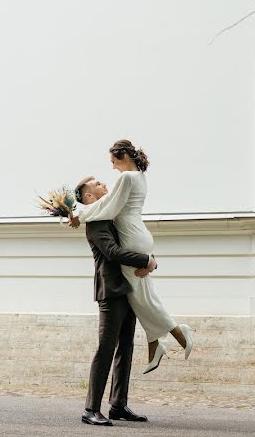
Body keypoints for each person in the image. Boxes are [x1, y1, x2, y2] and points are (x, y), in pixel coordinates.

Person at [72, 140, 192, 373]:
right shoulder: (140, 177)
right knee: (142, 296)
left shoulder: (126, 178)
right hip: (139, 234)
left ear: (123, 155)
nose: (113, 168)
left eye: (114, 161)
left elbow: (109, 205)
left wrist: (80, 215)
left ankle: (178, 332)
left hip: (131, 236)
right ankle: (154, 343)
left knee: (142, 297)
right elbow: (110, 203)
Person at [80, 189, 156, 426]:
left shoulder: (113, 216)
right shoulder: (95, 222)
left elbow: (133, 241)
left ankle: (118, 405)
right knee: (106, 349)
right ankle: (90, 409)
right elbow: (112, 253)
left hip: (128, 289)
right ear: (89, 197)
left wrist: (151, 259)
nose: (105, 186)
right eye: (98, 185)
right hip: (111, 292)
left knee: (126, 346)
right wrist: (145, 260)